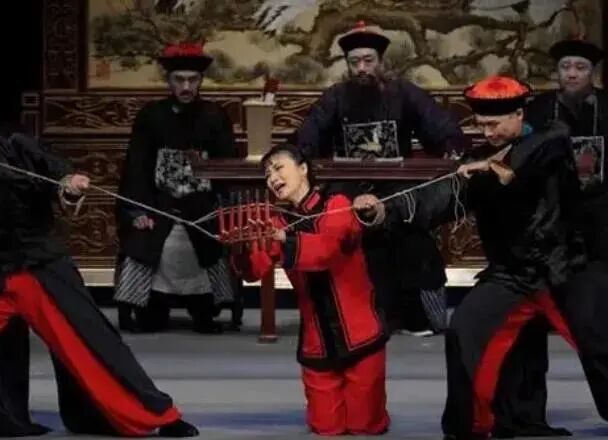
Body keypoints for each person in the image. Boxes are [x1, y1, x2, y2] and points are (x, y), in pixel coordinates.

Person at [0, 65, 198, 438]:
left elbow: (48, 162)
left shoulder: (10, 138)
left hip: (35, 260)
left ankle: (156, 415)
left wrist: (67, 180)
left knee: (90, 340)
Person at [355, 75, 596, 439]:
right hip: (511, 275)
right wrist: (383, 211)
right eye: (482, 125)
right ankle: (482, 425)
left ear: (518, 115)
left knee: (600, 341)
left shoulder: (551, 139)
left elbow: (530, 162)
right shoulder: (479, 160)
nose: (488, 132)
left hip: (564, 268)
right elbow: (438, 198)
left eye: (495, 124)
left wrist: (495, 167)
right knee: (466, 331)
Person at [296, 21, 469, 336]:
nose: (362, 68)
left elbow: (440, 128)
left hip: (397, 188)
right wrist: (298, 157)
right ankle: (351, 318)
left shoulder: (403, 93)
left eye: (368, 60)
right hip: (349, 188)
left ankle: (418, 317)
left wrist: (451, 147)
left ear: (381, 61)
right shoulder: (335, 97)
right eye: (354, 62)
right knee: (344, 236)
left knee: (412, 239)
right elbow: (310, 136)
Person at [230, 144, 390, 436]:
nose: (272, 178)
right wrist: (241, 250)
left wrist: (283, 240)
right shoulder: (276, 221)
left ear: (303, 168)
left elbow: (326, 251)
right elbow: (254, 271)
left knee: (364, 426)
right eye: (267, 175)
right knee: (325, 427)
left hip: (360, 334)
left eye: (279, 168)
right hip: (317, 342)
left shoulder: (337, 204)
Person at [493, 37, 608, 436]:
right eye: (565, 68)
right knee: (527, 332)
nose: (572, 74)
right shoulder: (540, 111)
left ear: (593, 73)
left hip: (599, 230)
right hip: (549, 230)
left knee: (595, 327)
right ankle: (527, 416)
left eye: (580, 68)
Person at [114, 42, 239, 334]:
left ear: (201, 81)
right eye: (179, 79)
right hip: (158, 202)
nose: (186, 86)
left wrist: (223, 208)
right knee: (149, 241)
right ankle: (151, 307)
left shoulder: (215, 115)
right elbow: (136, 167)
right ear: (168, 81)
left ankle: (205, 308)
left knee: (205, 243)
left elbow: (226, 165)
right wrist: (137, 211)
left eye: (192, 80)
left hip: (202, 204)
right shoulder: (151, 115)